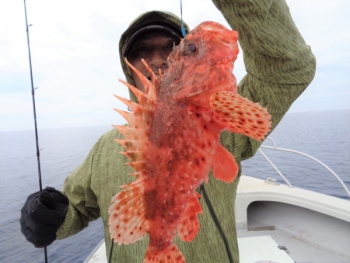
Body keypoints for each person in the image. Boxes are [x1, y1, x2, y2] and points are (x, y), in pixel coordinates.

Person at [20, 1, 316, 262]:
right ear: (128, 66)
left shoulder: (222, 122)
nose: (159, 59)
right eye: (143, 50)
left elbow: (289, 69)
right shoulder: (106, 146)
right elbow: (77, 208)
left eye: (173, 48)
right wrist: (49, 217)